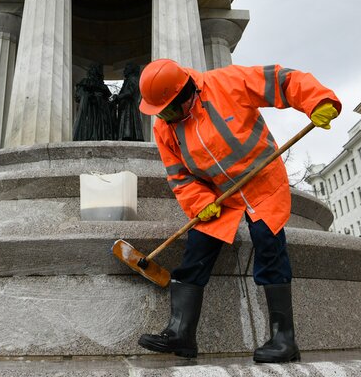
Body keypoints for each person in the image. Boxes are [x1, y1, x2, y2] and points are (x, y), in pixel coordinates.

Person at [136, 58, 340, 363]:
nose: (164, 117)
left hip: (261, 181)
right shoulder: (165, 127)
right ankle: (181, 333)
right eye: (160, 111)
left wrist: (317, 100)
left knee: (268, 246)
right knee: (196, 252)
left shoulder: (228, 83)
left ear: (187, 93)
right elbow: (179, 175)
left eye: (168, 109)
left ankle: (284, 339)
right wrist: (199, 202)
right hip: (219, 194)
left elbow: (281, 81)